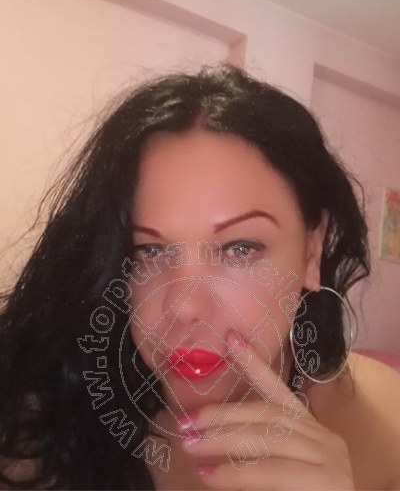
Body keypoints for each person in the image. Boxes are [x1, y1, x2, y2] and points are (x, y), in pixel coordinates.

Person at [0, 63, 399, 490]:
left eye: (239, 248)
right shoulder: (37, 429)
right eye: (148, 251)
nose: (184, 307)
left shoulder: (386, 420)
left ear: (311, 251)